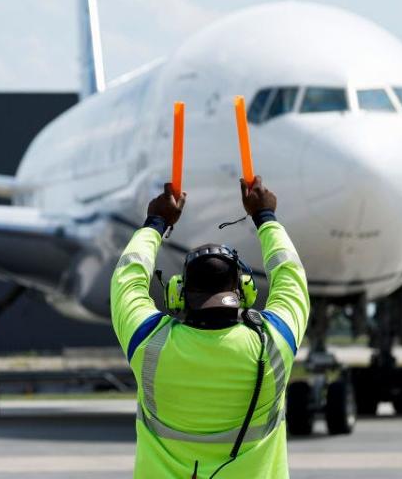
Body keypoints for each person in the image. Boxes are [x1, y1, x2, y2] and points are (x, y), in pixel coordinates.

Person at [111, 176, 310, 478]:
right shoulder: (272, 344)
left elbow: (127, 279)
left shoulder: (149, 344)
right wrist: (265, 217)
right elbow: (290, 274)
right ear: (245, 290)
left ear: (177, 292)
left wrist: (155, 222)